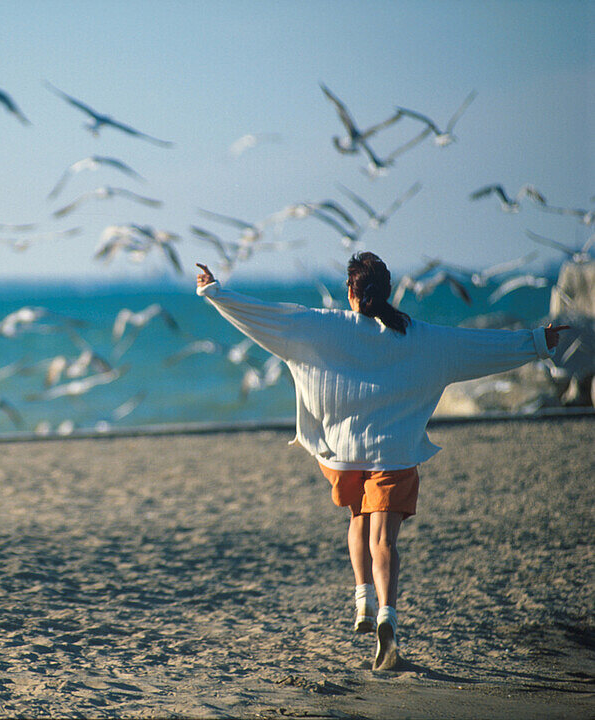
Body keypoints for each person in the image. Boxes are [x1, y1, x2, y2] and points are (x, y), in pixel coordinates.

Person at [195, 253, 569, 670]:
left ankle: (361, 601)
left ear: (352, 293)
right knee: (384, 541)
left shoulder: (323, 324)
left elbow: (267, 318)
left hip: (343, 455)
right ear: (388, 292)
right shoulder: (420, 336)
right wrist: (536, 341)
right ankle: (387, 615)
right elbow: (476, 347)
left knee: (358, 518)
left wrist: (216, 293)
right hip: (393, 453)